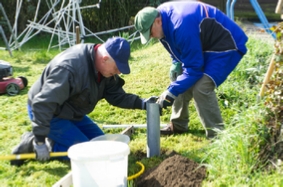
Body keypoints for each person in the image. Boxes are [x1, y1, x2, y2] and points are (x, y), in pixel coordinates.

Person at [11, 37, 157, 166]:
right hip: (49, 113)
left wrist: (142, 103)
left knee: (103, 147)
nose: (118, 72)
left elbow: (116, 95)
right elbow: (43, 104)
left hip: (72, 111)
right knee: (88, 155)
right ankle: (35, 143)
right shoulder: (69, 69)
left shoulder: (105, 71)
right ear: (105, 59)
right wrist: (39, 141)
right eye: (117, 68)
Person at [134, 1, 248, 138]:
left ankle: (217, 136)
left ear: (158, 21)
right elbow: (174, 46)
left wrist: (171, 91)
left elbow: (194, 69)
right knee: (179, 76)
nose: (150, 37)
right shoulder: (160, 18)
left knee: (201, 87)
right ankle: (178, 125)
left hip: (225, 44)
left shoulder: (181, 25)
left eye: (150, 32)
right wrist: (176, 62)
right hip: (203, 44)